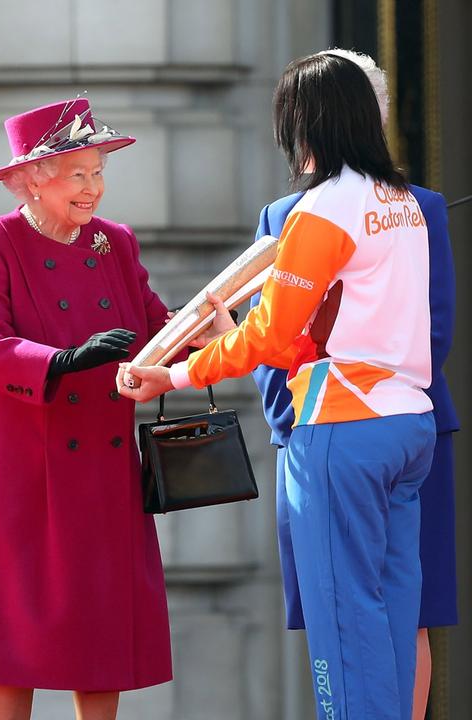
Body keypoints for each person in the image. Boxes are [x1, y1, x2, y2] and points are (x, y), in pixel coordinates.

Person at [122, 53, 435, 720]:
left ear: (306, 124)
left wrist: (176, 372)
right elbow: (312, 328)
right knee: (392, 608)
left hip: (342, 428)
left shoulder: (323, 210)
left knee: (342, 619)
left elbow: (270, 338)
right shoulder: (403, 203)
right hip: (410, 426)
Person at [0, 97, 173, 720]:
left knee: (100, 631)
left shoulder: (115, 243)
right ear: (32, 179)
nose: (95, 189)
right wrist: (61, 361)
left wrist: (214, 327)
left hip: (101, 465)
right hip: (20, 468)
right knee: (13, 640)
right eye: (78, 174)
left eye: (99, 172)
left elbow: (156, 326)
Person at [249, 48, 457, 720]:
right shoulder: (292, 212)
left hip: (348, 426)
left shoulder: (340, 211)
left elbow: (435, 321)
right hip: (395, 422)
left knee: (379, 612)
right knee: (368, 607)